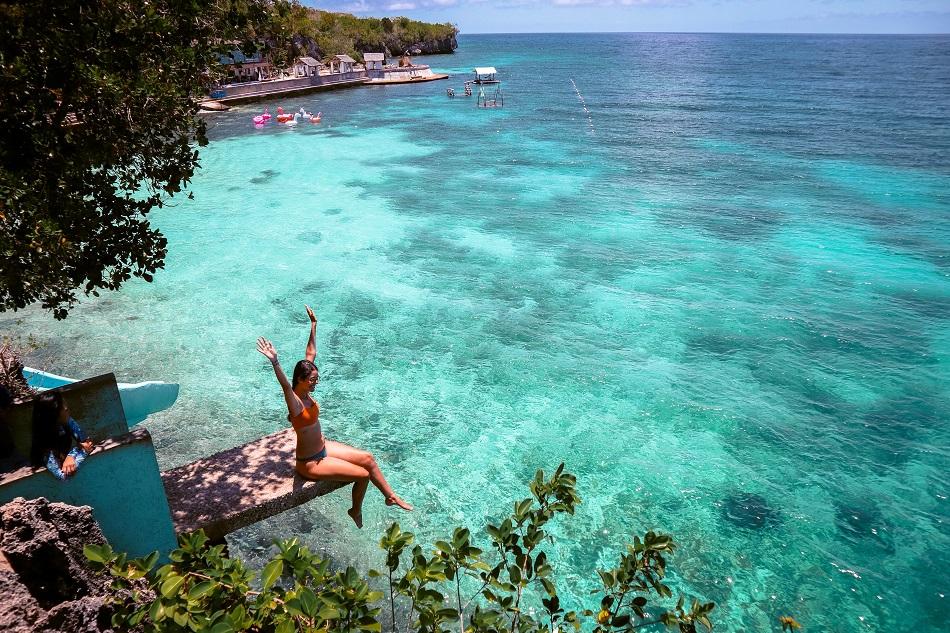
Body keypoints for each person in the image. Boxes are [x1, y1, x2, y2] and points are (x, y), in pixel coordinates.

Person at [256, 305, 412, 528]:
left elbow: (310, 354)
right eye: (312, 380)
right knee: (362, 474)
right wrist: (275, 361)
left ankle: (390, 496)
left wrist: (313, 325)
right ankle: (354, 510)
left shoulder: (306, 390)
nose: (316, 382)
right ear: (300, 380)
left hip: (324, 447)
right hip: (310, 463)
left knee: (368, 458)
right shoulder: (296, 403)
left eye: (316, 379)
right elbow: (284, 385)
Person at [30, 391, 94, 480]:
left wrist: (71, 455)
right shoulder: (45, 448)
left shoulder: (67, 421)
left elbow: (86, 441)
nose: (66, 408)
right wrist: (83, 452)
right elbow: (63, 477)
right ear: (52, 415)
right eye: (61, 406)